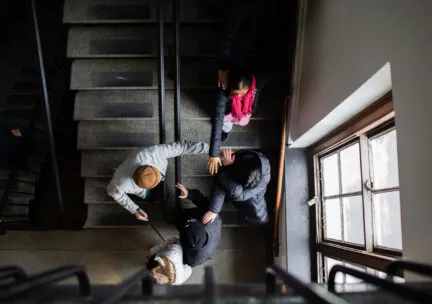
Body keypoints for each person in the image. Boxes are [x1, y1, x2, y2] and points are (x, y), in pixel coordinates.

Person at [106, 141, 208, 222]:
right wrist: (134, 209)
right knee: (153, 197)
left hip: (135, 161)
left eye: (159, 176)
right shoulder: (119, 183)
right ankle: (153, 196)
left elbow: (182, 146)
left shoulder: (154, 153)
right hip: (140, 189)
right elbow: (111, 192)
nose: (161, 180)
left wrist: (211, 150)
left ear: (151, 166)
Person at [204, 148, 270, 225]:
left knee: (256, 212)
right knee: (257, 210)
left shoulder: (236, 191)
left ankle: (260, 219)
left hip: (252, 208)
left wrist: (227, 167)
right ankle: (261, 219)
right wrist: (235, 158)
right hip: (254, 205)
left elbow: (222, 181)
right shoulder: (263, 164)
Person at [175, 183, 222, 267]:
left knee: (180, 221)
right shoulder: (211, 218)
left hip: (195, 247)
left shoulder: (195, 259)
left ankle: (181, 221)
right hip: (200, 221)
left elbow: (184, 261)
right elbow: (202, 201)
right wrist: (189, 194)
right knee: (183, 218)